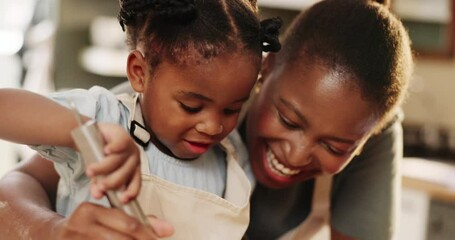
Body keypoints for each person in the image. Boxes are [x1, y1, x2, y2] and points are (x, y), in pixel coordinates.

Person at [0, 0, 412, 239]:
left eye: (336, 146)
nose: (214, 126)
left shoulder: (226, 160)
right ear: (264, 74)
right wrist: (84, 134)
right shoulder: (117, 117)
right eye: (288, 118)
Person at [0, 0, 281, 239]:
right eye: (191, 106)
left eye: (232, 109)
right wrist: (86, 131)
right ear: (139, 73)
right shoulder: (105, 116)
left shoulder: (233, 162)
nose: (214, 126)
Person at [244, 0, 412, 239]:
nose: (296, 155)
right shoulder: (216, 86)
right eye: (288, 120)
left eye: (334, 147)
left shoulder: (373, 129)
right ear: (266, 68)